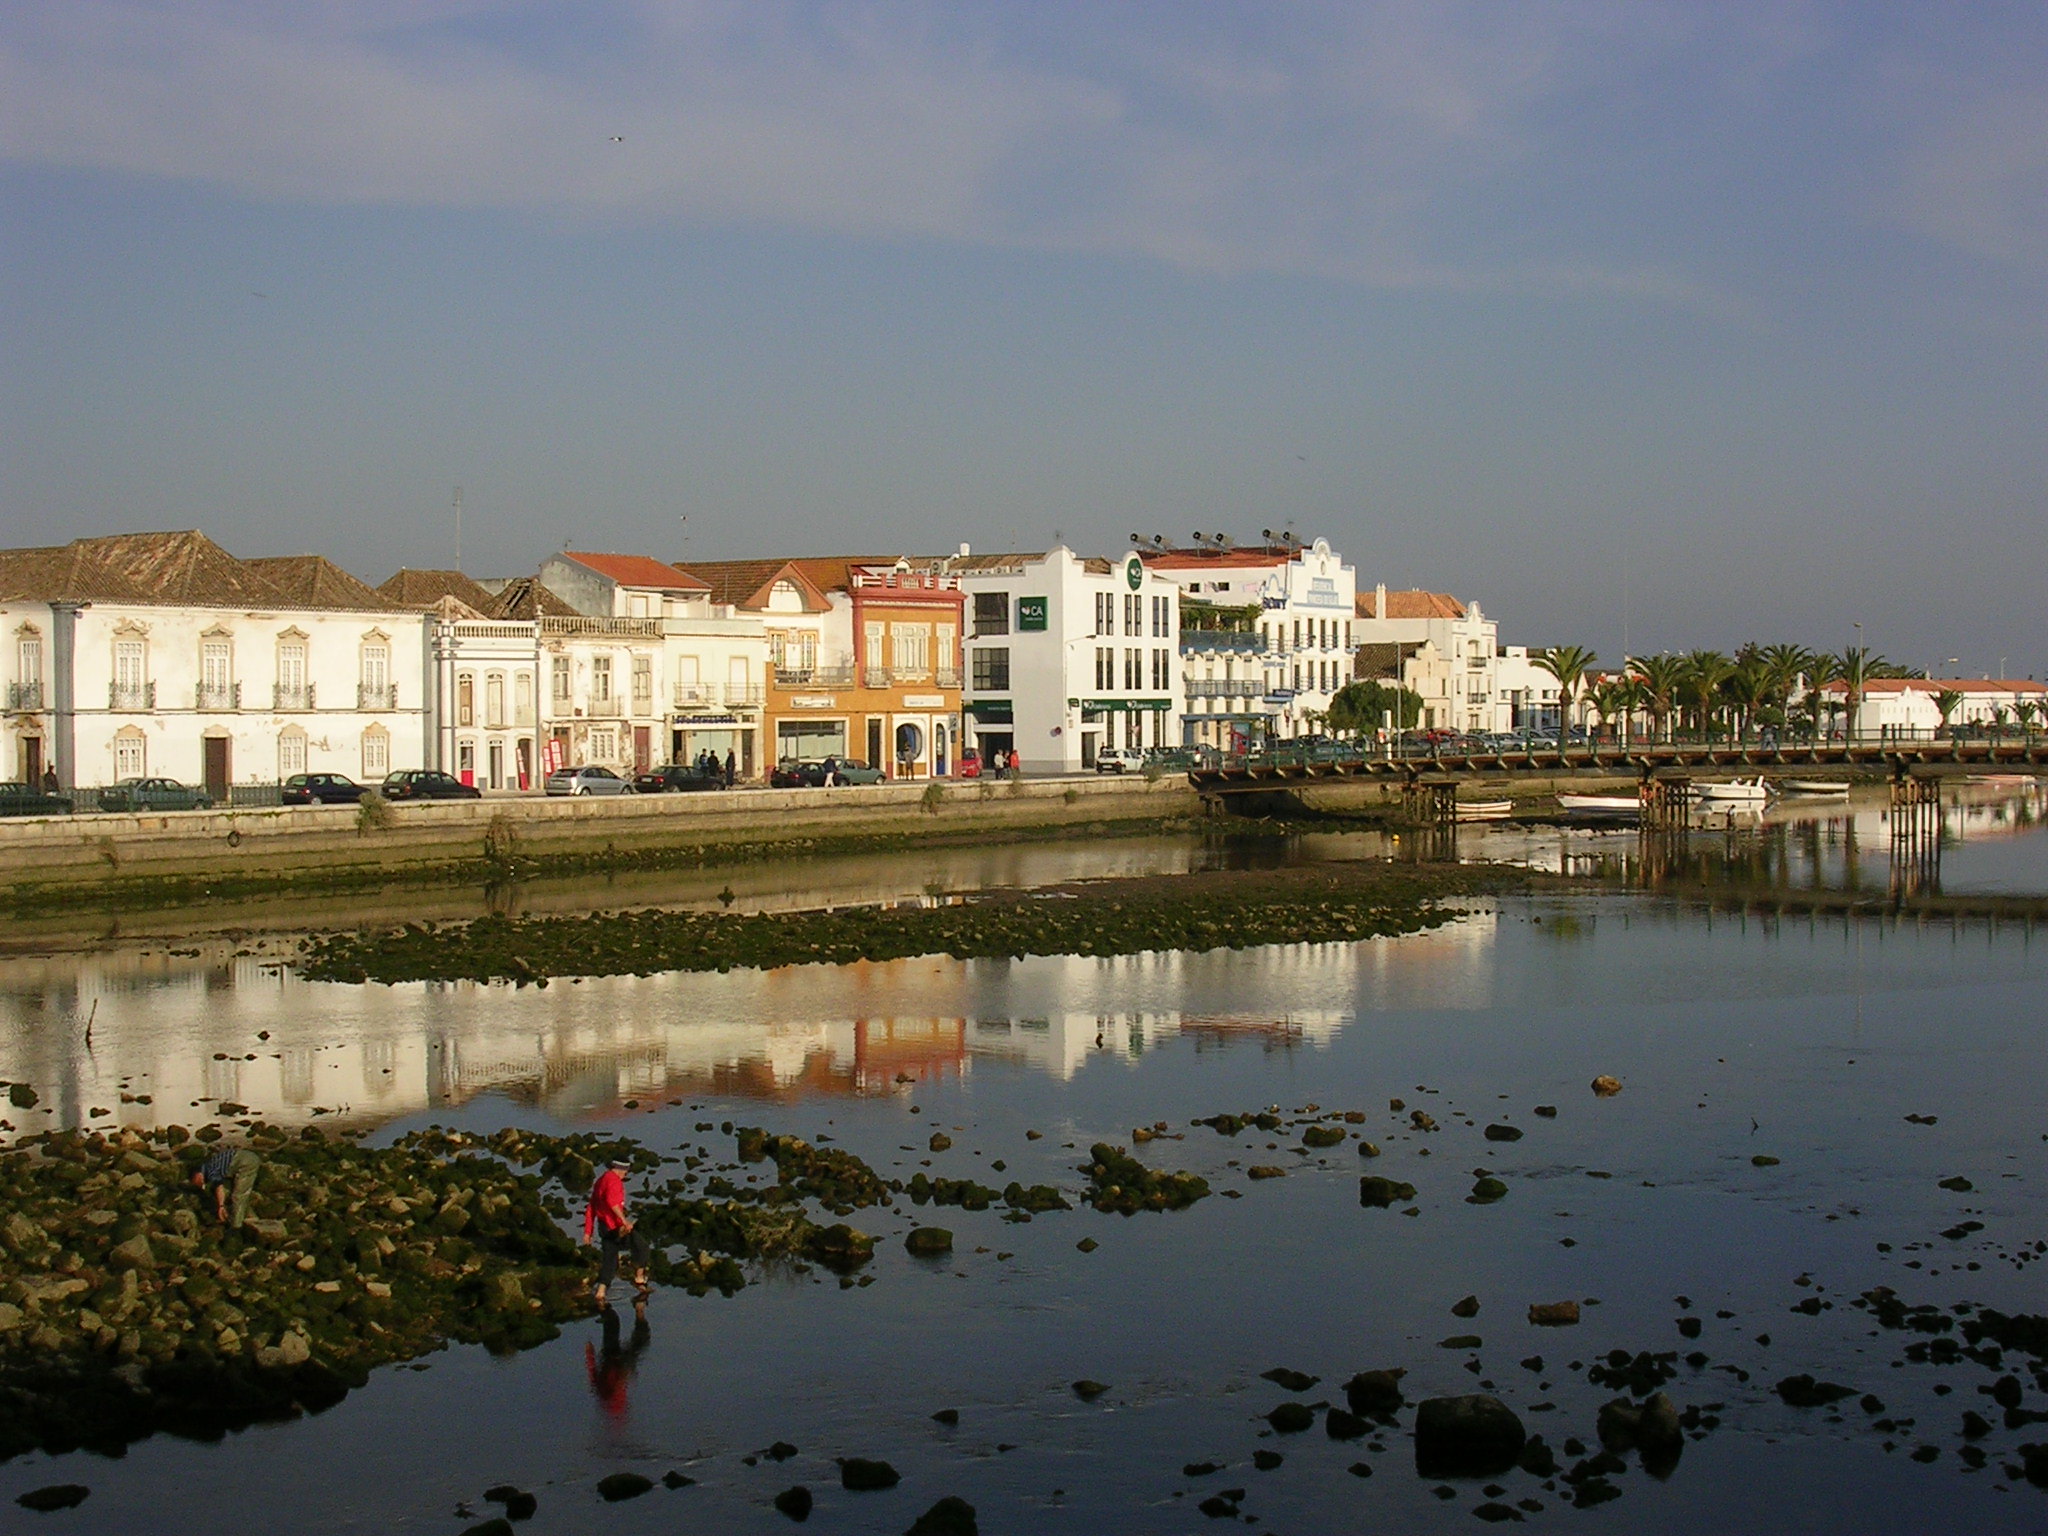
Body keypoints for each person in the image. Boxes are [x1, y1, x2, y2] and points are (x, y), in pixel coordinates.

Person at [584, 1157, 651, 1309]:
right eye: (626, 1172)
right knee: (641, 1246)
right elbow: (612, 1202)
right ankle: (639, 1278)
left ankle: (600, 1293)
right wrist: (624, 1221)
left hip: (604, 1228)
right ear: (621, 1169)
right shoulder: (614, 1181)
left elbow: (591, 1207)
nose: (625, 1176)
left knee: (610, 1260)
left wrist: (588, 1231)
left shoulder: (601, 1180)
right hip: (615, 1227)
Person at [192, 1144, 262, 1228]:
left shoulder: (211, 1170)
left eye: (196, 1182)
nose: (198, 1183)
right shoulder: (208, 1165)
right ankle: (250, 1216)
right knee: (241, 1191)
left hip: (245, 1162)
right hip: (246, 1157)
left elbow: (219, 1187)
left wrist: (221, 1206)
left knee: (238, 1195)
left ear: (197, 1175)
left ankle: (236, 1225)